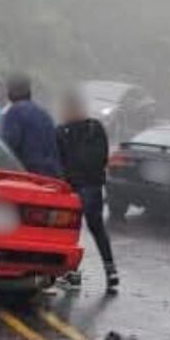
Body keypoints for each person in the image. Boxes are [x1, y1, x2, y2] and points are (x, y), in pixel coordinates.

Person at [57, 89, 120, 295]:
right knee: (97, 228)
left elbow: (59, 160)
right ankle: (110, 271)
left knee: (72, 231)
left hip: (74, 187)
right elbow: (103, 157)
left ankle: (72, 273)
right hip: (92, 186)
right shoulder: (96, 128)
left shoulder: (62, 132)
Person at [1, 73, 62, 178]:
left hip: (29, 175)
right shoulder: (43, 113)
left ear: (11, 91)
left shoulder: (14, 112)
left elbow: (8, 147)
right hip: (51, 175)